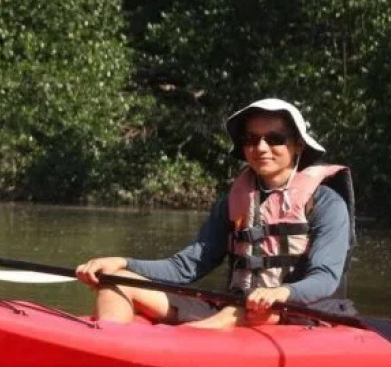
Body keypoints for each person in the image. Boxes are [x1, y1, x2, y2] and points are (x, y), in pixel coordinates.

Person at [76, 97, 354, 329]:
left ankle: (189, 341)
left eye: (275, 139)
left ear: (298, 146)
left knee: (243, 313)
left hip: (299, 313)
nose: (261, 148)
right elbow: (185, 267)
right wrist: (123, 263)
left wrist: (281, 293)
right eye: (251, 139)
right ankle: (108, 347)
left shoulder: (326, 204)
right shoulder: (235, 201)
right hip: (237, 306)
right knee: (116, 284)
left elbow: (325, 278)